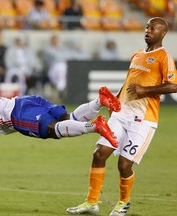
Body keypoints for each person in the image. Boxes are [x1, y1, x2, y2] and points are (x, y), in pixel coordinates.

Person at [66, 17, 177, 216]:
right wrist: (116, 100)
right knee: (99, 154)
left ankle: (123, 203)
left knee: (124, 165)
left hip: (143, 120)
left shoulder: (164, 57)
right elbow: (129, 82)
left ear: (163, 33)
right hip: (120, 114)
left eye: (153, 28)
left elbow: (174, 85)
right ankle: (91, 203)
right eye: (147, 27)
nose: (148, 30)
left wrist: (145, 90)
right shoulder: (137, 55)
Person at [0, 81, 121, 181]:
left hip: (18, 114)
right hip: (26, 101)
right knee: (68, 119)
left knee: (53, 131)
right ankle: (99, 102)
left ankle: (95, 126)